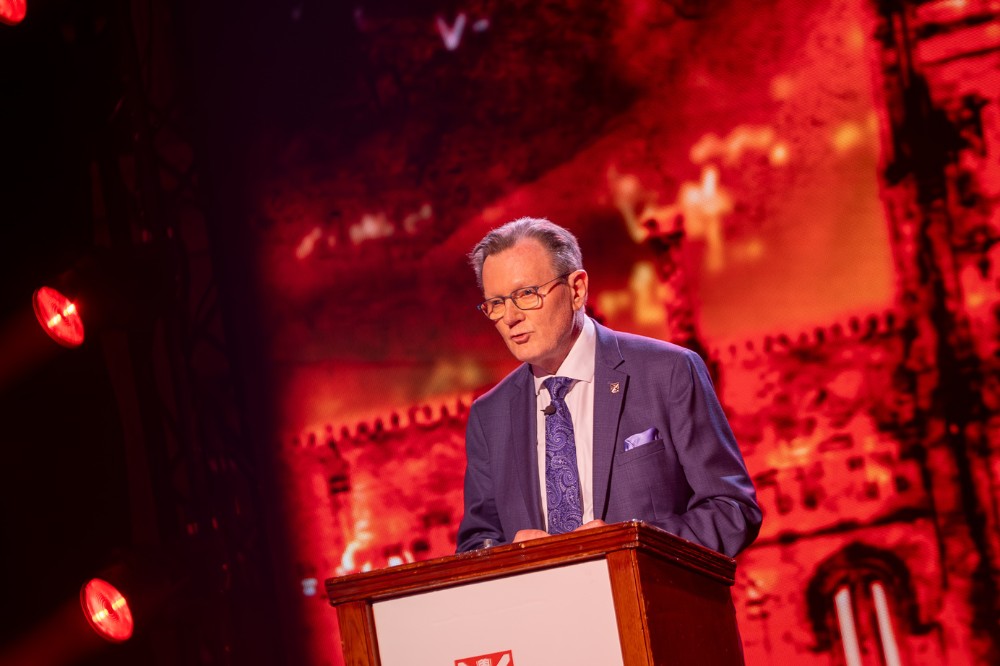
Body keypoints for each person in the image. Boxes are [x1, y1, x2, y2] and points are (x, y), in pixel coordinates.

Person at [455, 217, 761, 558]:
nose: (510, 317)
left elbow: (732, 510)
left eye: (526, 294)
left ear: (577, 289)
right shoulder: (490, 416)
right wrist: (511, 555)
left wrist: (629, 546)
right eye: (496, 303)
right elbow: (476, 543)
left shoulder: (668, 372)